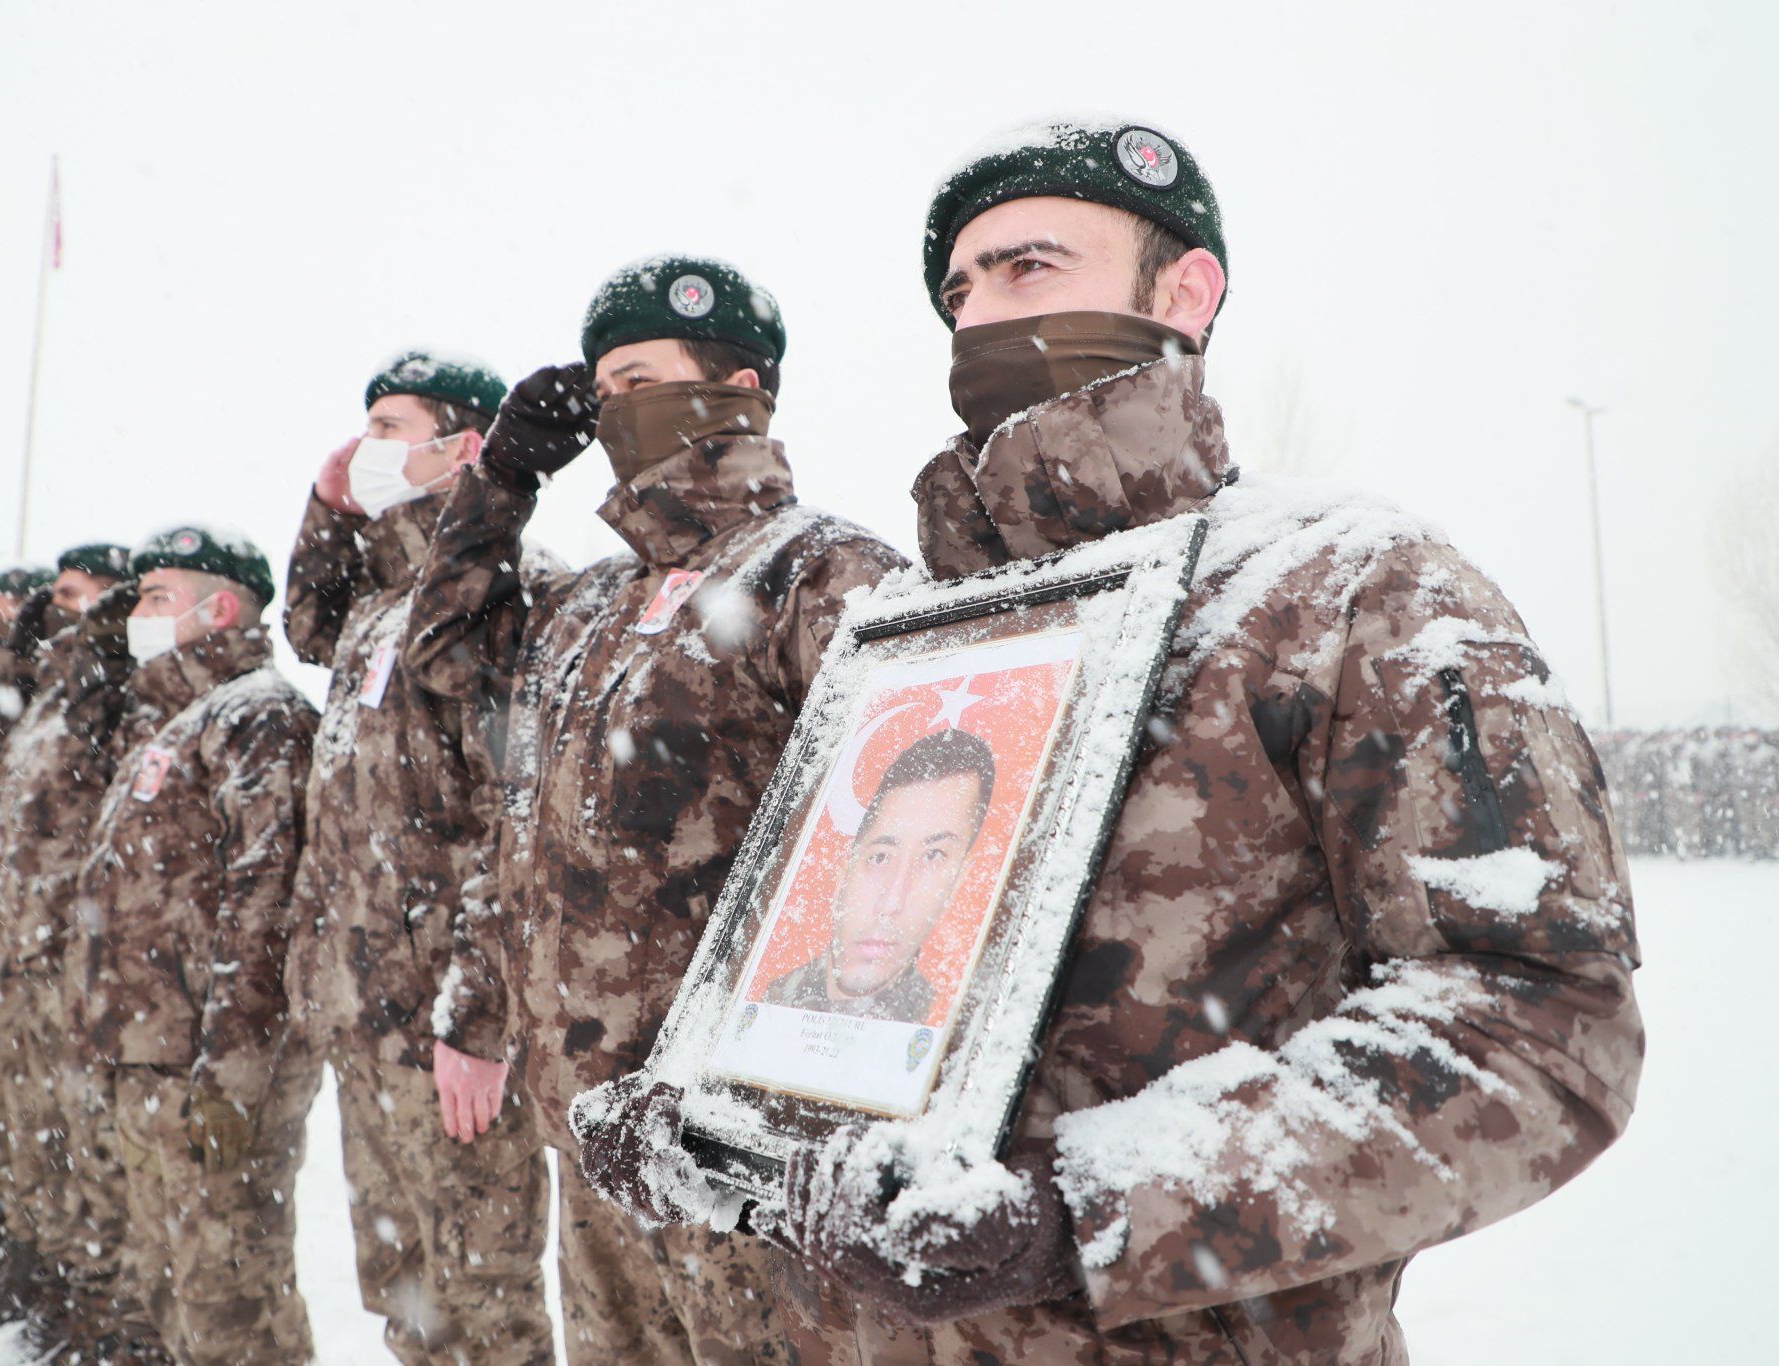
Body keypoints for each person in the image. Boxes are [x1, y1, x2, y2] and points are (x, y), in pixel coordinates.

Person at [578, 118, 1645, 1363]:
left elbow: (1538, 1020)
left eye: (1028, 269)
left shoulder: (1349, 590)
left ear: (1184, 292)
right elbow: (854, 995)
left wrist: (1086, 1211)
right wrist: (710, 1119)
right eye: (959, 290)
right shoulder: (920, 641)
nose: (978, 317)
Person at [407, 253, 909, 1363]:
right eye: (598, 390)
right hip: (594, 1131)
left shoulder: (822, 574)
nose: (608, 411)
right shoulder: (593, 600)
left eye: (636, 379)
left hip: (736, 1153)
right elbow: (443, 659)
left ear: (738, 390)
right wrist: (498, 480)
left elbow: (906, 854)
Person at [281, 350, 554, 1362]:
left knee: (484, 1302)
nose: (365, 450)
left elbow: (516, 821)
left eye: (389, 429)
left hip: (446, 1028)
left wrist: (476, 1017)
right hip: (360, 1014)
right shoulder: (373, 606)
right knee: (406, 1301)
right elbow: (302, 622)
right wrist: (327, 502)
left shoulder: (508, 594)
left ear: (463, 448)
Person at [71, 525, 320, 1363]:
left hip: (210, 1070)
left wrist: (233, 1077)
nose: (135, 614)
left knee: (233, 1303)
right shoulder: (170, 722)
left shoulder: (261, 715)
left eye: (155, 597)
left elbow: (267, 900)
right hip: (150, 1060)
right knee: (180, 1292)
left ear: (219, 608)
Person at [0, 545, 140, 1343]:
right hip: (26, 956)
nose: (57, 606)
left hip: (83, 965)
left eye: (76, 597)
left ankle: (109, 1322)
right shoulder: (47, 697)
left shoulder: (111, 685)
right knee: (39, 1140)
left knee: (97, 1161)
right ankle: (61, 1297)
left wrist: (100, 630)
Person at [764, 727, 994, 1022]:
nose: (891, 903)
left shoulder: (948, 1023)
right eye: (880, 857)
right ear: (843, 873)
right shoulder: (772, 1001)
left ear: (958, 881)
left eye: (933, 856)